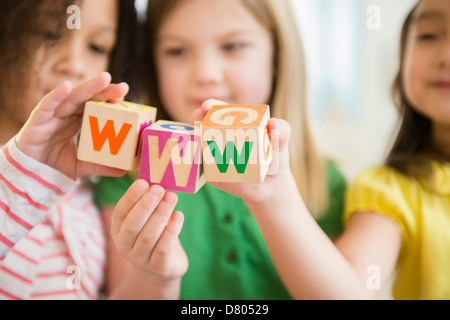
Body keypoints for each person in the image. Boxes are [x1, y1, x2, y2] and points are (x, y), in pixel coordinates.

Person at [168, 0, 449, 300]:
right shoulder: (390, 191)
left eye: (233, 46)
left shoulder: (334, 184)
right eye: (429, 35)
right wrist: (275, 198)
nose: (445, 56)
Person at [95, 0, 347, 299]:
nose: (206, 74)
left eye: (233, 46)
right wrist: (155, 278)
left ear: (278, 56)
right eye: (177, 51)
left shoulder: (323, 181)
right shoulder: (129, 179)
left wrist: (278, 202)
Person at [0, 0, 177, 300]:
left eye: (96, 46)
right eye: (49, 33)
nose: (74, 64)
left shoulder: (98, 197)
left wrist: (156, 280)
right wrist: (24, 175)